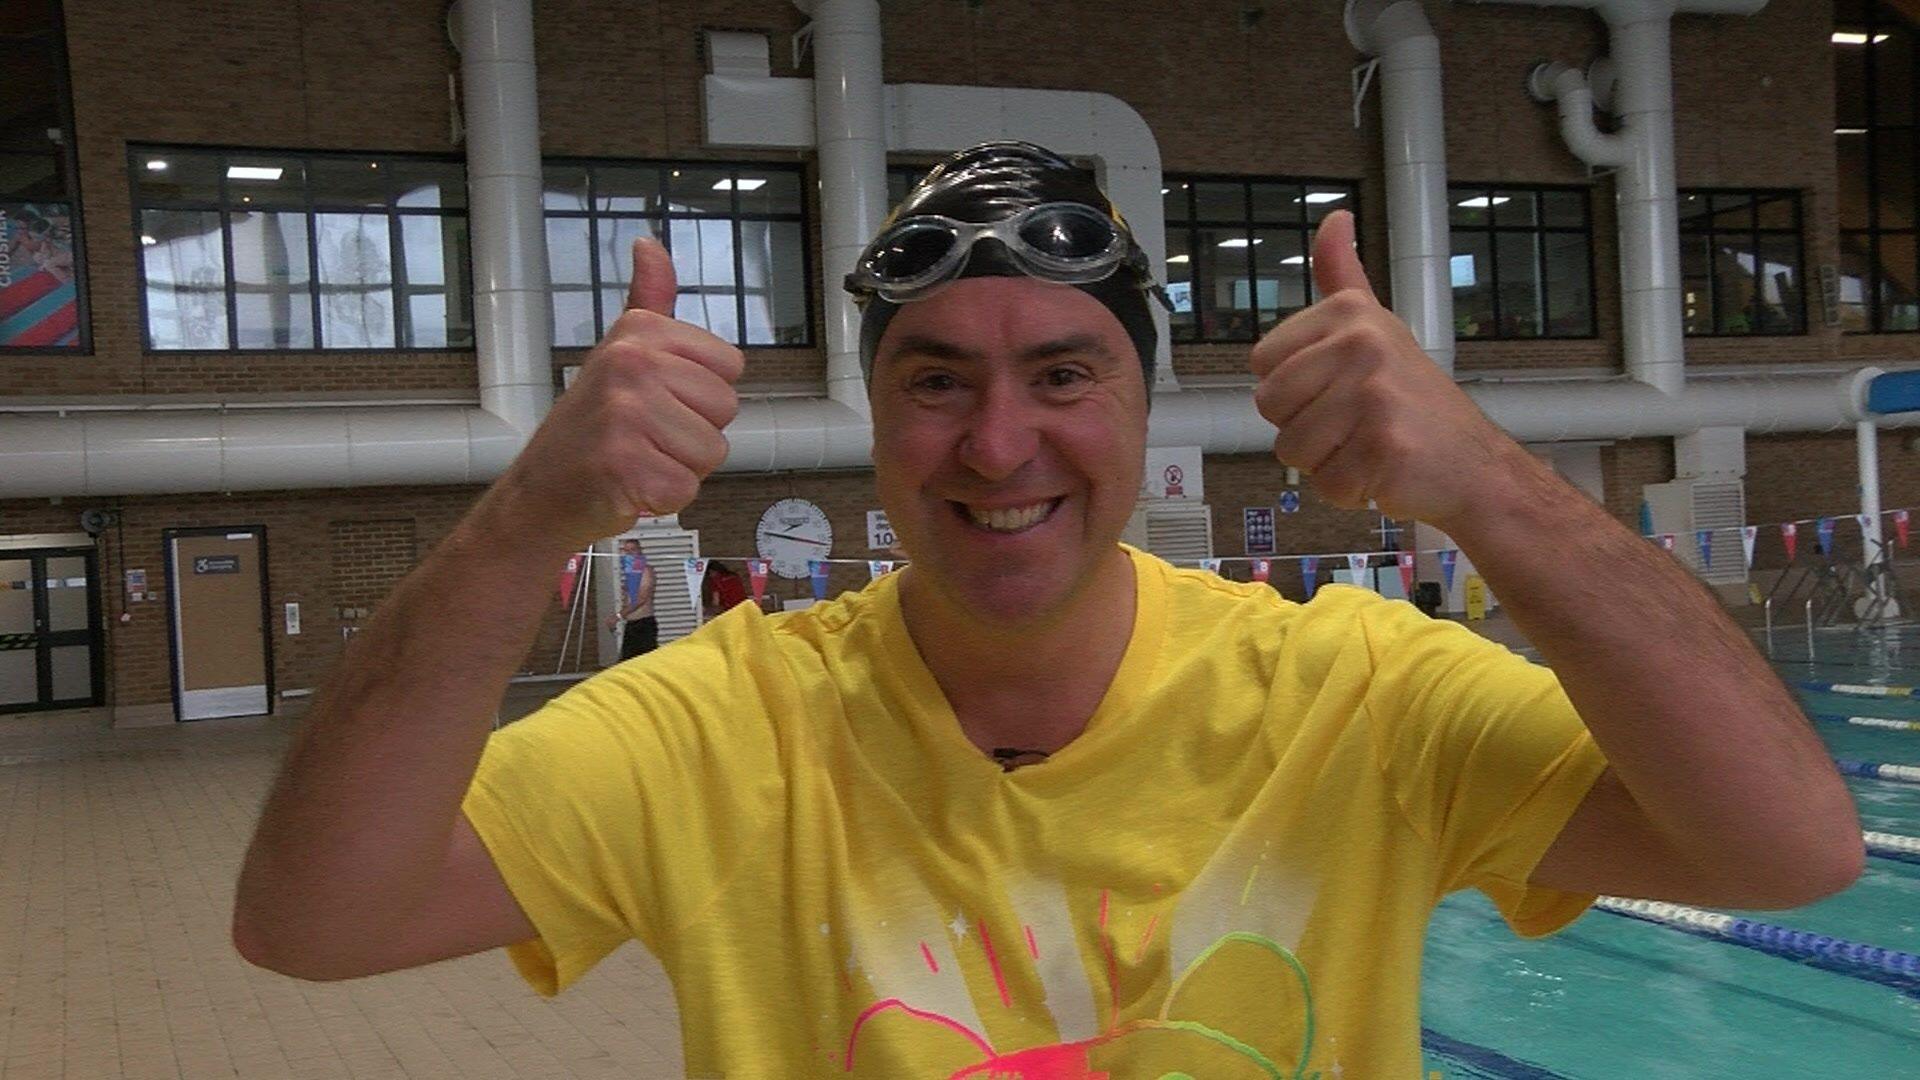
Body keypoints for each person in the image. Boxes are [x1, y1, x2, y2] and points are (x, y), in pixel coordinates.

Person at [232, 142, 1862, 1078]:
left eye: (1061, 376)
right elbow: (312, 923)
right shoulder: (729, 723)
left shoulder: (1352, 693)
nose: (999, 446)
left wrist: (1493, 487)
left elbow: (1786, 851)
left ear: (1144, 411)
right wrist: (526, 523)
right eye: (938, 384)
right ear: (876, 426)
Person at [603, 537, 657, 660]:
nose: (629, 553)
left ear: (639, 551)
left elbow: (641, 599)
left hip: (643, 625)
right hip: (632, 624)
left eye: (632, 550)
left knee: (643, 664)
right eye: (626, 550)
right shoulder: (632, 572)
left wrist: (617, 617)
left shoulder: (645, 571)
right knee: (627, 663)